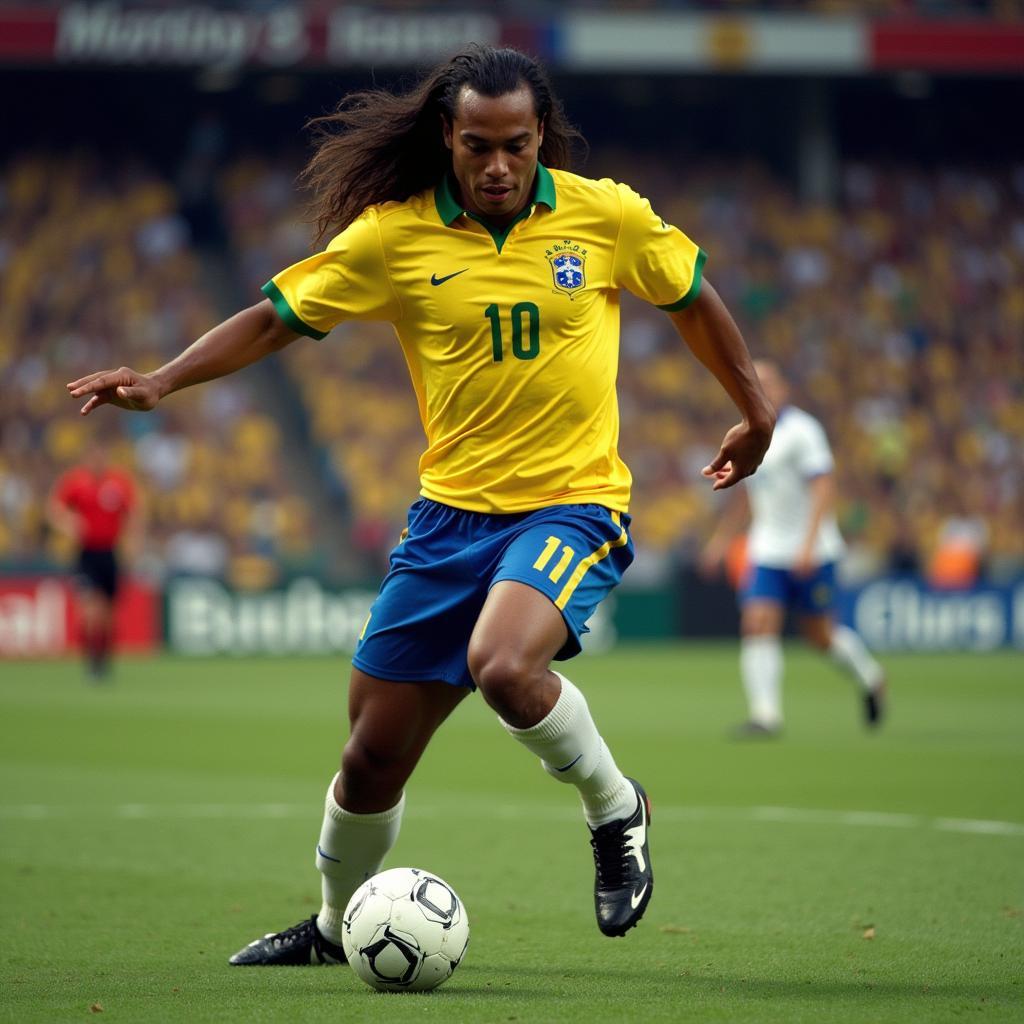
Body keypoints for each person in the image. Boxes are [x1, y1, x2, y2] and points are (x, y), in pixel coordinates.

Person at [67, 46, 775, 963]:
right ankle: (331, 930)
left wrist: (755, 413)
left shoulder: (605, 216)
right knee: (368, 760)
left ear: (539, 138)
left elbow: (692, 298)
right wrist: (162, 382)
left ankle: (615, 808)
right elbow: (278, 315)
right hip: (446, 524)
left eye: (515, 146)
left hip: (571, 506)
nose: (496, 166)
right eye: (477, 144)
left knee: (504, 665)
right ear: (448, 136)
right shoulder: (393, 237)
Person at [700, 358, 886, 736]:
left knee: (820, 636)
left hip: (812, 550)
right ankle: (765, 716)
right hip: (767, 549)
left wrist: (807, 544)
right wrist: (722, 540)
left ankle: (871, 677)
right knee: (757, 623)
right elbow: (745, 493)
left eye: (768, 382)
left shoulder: (803, 431)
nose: (760, 388)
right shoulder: (745, 431)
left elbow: (823, 488)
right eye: (754, 381)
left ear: (783, 389)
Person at [47, 438, 141, 680]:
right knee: (91, 610)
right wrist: (70, 523)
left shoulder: (118, 483)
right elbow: (55, 509)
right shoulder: (76, 482)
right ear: (87, 458)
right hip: (86, 554)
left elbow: (134, 513)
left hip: (110, 553)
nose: (97, 460)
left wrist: (132, 542)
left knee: (108, 613)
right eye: (93, 456)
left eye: (101, 455)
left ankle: (103, 661)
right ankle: (91, 661)